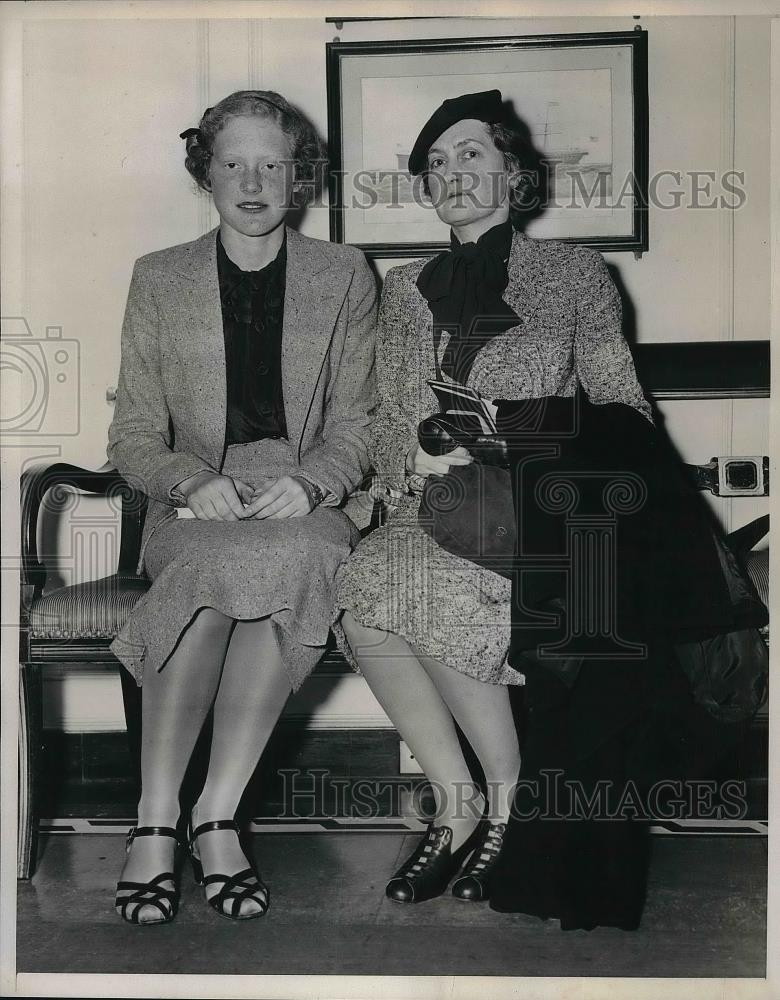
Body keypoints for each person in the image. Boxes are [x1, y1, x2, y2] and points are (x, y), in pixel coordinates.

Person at [334, 90, 656, 914]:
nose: (452, 173)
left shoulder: (578, 274)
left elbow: (626, 412)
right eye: (436, 164)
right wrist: (400, 454)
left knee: (425, 586)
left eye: (471, 154)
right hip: (430, 506)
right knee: (364, 590)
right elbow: (379, 421)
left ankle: (510, 810)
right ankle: (457, 803)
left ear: (515, 176)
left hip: (541, 510)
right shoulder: (401, 290)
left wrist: (514, 430)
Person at [108, 90, 376, 924]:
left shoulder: (344, 274)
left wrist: (318, 481)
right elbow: (134, 436)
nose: (252, 181)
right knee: (219, 564)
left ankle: (212, 814)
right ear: (206, 173)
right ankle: (157, 818)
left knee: (290, 557)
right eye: (233, 163)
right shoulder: (158, 278)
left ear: (299, 179)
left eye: (272, 164)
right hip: (196, 499)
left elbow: (360, 421)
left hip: (307, 496)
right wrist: (189, 481)